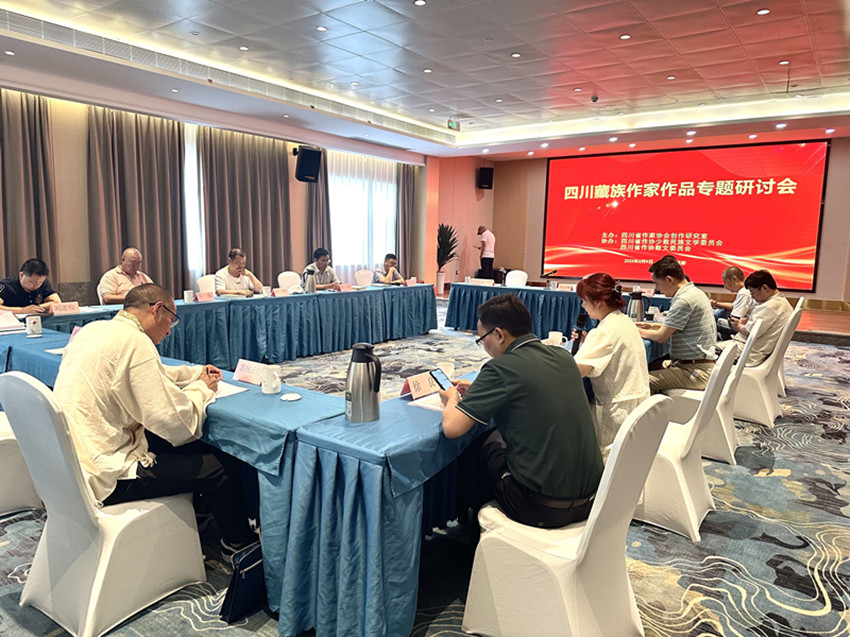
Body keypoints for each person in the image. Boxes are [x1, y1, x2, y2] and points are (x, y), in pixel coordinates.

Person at [53, 284, 256, 558]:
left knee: (179, 448)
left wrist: (194, 374)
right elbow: (175, 424)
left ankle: (199, 516)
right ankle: (239, 545)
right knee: (218, 466)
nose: (169, 331)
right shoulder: (136, 342)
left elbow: (151, 374)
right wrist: (203, 389)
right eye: (171, 320)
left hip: (72, 464)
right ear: (158, 310)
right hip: (108, 473)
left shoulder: (95, 330)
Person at [438, 294, 603, 528]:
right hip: (594, 500)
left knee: (485, 443)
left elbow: (452, 428)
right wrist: (481, 389)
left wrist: (452, 398)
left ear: (498, 334)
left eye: (482, 339)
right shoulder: (563, 356)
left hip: (543, 508)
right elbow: (533, 388)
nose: (483, 346)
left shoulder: (500, 368)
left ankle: (471, 533)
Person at [572, 273, 650, 459]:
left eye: (584, 301)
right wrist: (588, 342)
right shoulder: (624, 321)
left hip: (616, 415)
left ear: (598, 302)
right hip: (638, 407)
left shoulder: (604, 331)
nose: (583, 306)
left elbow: (575, 372)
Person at [638, 255, 716, 394]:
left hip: (694, 372)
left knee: (637, 382)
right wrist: (650, 326)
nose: (658, 289)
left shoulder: (684, 300)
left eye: (657, 284)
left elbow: (661, 337)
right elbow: (676, 326)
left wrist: (633, 330)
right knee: (651, 365)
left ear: (669, 280)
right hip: (697, 365)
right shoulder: (694, 292)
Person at [717, 269, 793, 366]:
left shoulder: (769, 306)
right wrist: (746, 321)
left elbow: (751, 332)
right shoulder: (781, 302)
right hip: (753, 349)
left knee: (706, 353)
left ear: (765, 288)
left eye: (752, 292)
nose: (752, 297)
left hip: (747, 354)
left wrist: (738, 326)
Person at [711, 266, 753, 340]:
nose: (725, 286)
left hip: (743, 327)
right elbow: (733, 307)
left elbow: (734, 318)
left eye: (725, 282)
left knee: (716, 320)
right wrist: (716, 304)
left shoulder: (743, 293)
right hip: (746, 323)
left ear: (734, 279)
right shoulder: (745, 290)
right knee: (719, 312)